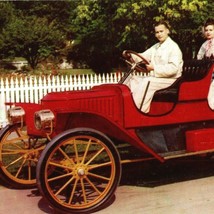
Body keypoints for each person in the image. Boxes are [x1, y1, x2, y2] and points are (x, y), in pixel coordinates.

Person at [124, 20, 183, 113]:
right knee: (133, 79)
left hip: (171, 80)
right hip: (159, 77)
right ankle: (126, 106)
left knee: (147, 81)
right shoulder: (156, 46)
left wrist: (154, 68)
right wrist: (131, 56)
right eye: (157, 32)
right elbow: (143, 56)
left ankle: (138, 111)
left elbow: (173, 69)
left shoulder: (173, 47)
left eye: (161, 31)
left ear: (167, 31)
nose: (159, 34)